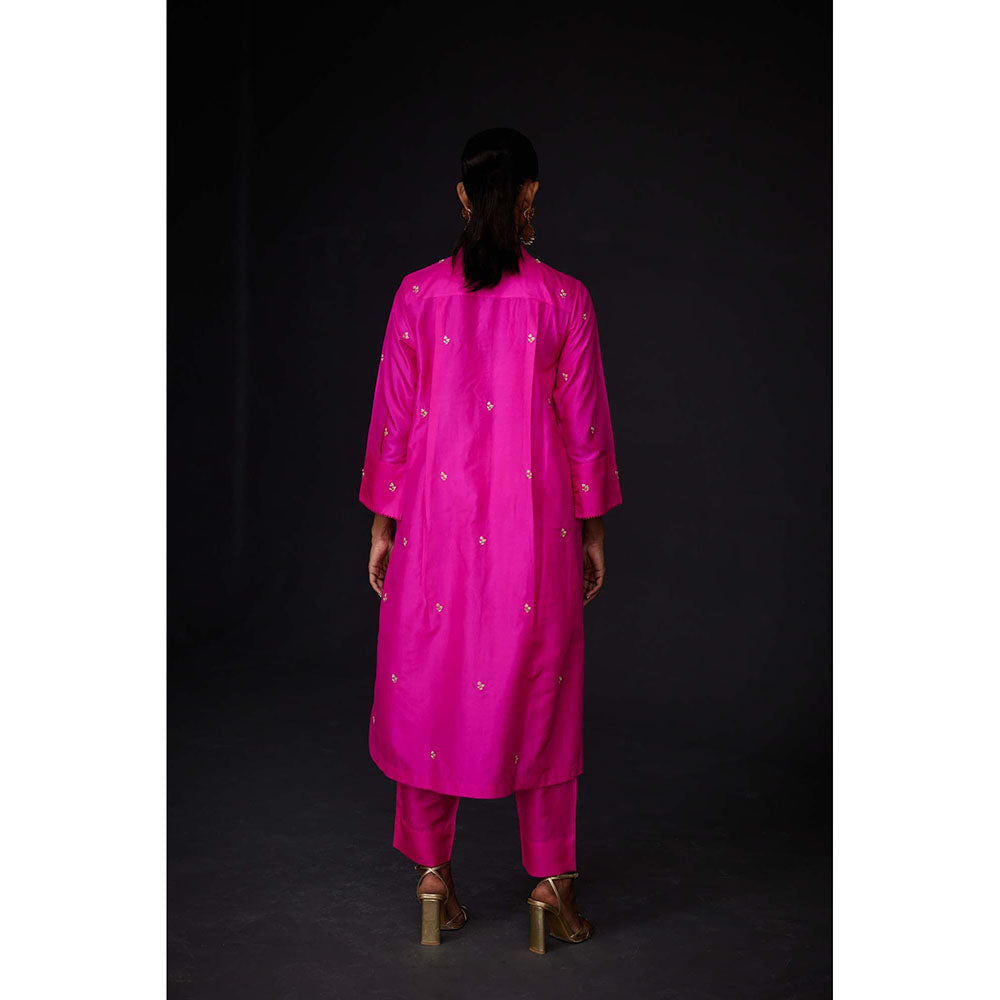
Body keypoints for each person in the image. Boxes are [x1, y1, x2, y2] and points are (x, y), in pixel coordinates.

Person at [358, 127, 623, 952]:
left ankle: (433, 876)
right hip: (533, 530)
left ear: (463, 197)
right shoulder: (564, 299)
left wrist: (382, 526)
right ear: (531, 198)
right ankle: (551, 886)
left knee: (427, 678)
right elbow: (584, 431)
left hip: (431, 527)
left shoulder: (417, 295)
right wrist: (592, 532)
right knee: (545, 689)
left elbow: (395, 422)